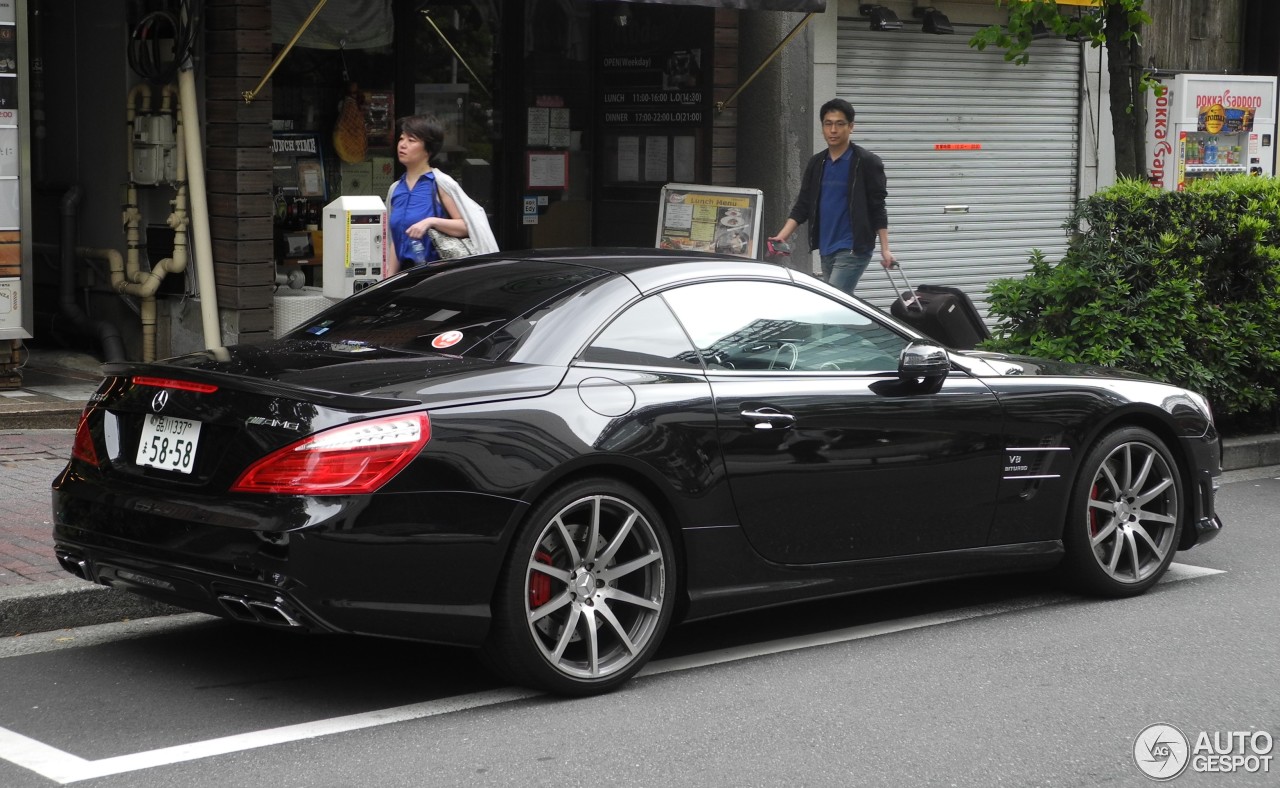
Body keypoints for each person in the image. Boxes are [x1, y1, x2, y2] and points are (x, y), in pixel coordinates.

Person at [769, 98, 895, 294]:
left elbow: (877, 206)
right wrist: (781, 236)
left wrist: (885, 248)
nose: (833, 130)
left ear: (851, 127)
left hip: (853, 249)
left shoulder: (867, 162)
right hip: (826, 248)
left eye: (839, 124)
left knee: (831, 302)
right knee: (838, 307)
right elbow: (803, 205)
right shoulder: (817, 163)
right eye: (828, 124)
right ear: (822, 128)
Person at [385, 114, 497, 274]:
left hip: (436, 278)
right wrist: (388, 280)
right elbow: (396, 240)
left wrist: (431, 222)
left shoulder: (440, 183)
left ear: (428, 150)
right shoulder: (395, 189)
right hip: (406, 278)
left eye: (411, 140)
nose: (402, 145)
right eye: (401, 139)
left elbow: (467, 226)